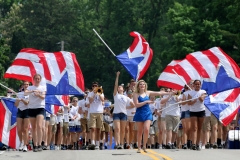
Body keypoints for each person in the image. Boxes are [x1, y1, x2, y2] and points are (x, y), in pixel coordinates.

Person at [133, 80, 174, 153]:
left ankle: (144, 146)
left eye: (143, 84)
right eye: (140, 84)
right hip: (139, 113)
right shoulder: (136, 94)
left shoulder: (147, 92)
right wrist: (146, 102)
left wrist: (169, 93)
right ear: (138, 86)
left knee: (146, 129)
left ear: (145, 86)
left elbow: (159, 93)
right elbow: (136, 105)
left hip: (147, 113)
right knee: (140, 131)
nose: (142, 85)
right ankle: (139, 146)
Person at [24, 74, 46, 152]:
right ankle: (35, 145)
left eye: (38, 79)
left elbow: (43, 97)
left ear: (40, 80)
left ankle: (40, 144)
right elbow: (25, 93)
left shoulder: (43, 87)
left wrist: (38, 94)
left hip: (40, 107)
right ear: (33, 79)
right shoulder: (30, 87)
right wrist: (32, 91)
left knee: (39, 126)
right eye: (36, 78)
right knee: (33, 127)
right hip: (31, 108)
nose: (37, 80)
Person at [113, 71, 135, 149]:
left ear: (123, 89)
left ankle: (121, 144)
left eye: (120, 87)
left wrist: (126, 108)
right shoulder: (116, 95)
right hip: (116, 113)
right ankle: (117, 143)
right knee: (117, 129)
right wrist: (117, 76)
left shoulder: (126, 97)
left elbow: (133, 104)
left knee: (123, 130)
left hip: (124, 114)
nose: (119, 88)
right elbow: (115, 85)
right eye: (118, 87)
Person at [188, 80, 207, 150]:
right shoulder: (190, 93)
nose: (197, 85)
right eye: (196, 84)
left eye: (198, 84)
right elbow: (189, 103)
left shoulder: (203, 92)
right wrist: (194, 100)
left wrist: (200, 97)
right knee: (194, 128)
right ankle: (193, 143)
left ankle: (197, 144)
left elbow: (202, 100)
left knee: (199, 128)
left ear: (200, 85)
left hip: (201, 111)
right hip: (193, 111)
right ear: (193, 85)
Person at [86, 82, 105, 150]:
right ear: (92, 87)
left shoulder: (100, 92)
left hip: (99, 112)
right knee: (93, 128)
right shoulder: (90, 94)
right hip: (92, 112)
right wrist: (94, 94)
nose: (95, 87)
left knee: (98, 129)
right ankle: (93, 143)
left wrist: (98, 93)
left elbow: (103, 100)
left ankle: (97, 143)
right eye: (93, 86)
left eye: (96, 86)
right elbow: (90, 101)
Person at [14, 81, 30, 152]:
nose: (26, 85)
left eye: (27, 84)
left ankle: (25, 145)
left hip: (27, 111)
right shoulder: (19, 93)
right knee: (19, 129)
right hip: (20, 111)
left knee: (25, 129)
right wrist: (18, 100)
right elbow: (16, 105)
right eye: (25, 84)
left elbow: (27, 103)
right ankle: (21, 142)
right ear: (23, 85)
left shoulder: (30, 93)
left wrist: (22, 99)